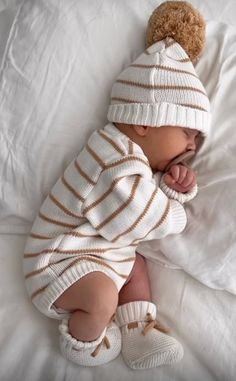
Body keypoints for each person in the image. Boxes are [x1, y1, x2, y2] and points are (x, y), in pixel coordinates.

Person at [23, 29, 211, 369]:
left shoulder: (134, 161)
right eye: (187, 132)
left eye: (197, 140)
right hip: (59, 262)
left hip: (100, 255)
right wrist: (176, 210)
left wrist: (172, 187)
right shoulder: (110, 155)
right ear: (145, 122)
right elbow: (136, 213)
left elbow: (137, 207)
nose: (192, 147)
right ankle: (85, 342)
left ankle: (137, 330)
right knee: (102, 296)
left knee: (135, 267)